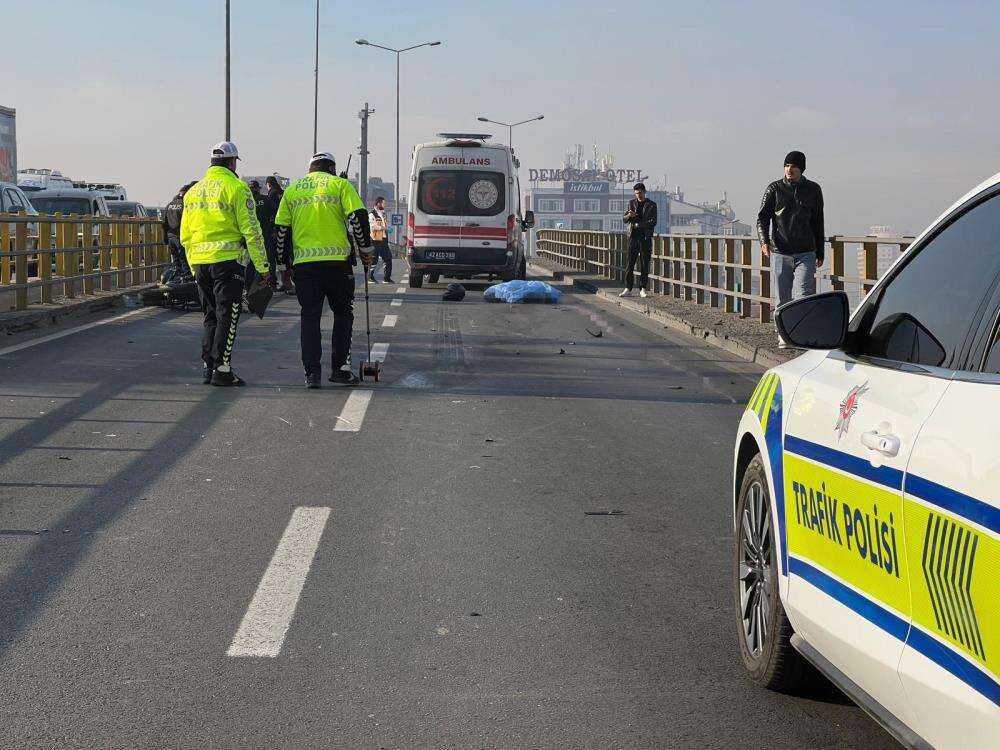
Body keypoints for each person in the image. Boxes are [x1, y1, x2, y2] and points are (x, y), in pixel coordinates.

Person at [274, 152, 374, 388]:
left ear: (311, 169)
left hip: (305, 266)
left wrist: (281, 262)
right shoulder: (340, 185)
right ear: (331, 169)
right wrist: (365, 249)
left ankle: (312, 374)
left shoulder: (293, 190)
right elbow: (358, 218)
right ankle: (340, 369)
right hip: (337, 264)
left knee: (310, 318)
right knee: (343, 314)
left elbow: (280, 231)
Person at [180, 141, 271, 386]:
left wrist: (192, 266)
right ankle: (222, 368)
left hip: (200, 263)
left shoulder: (193, 192)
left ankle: (208, 367)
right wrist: (263, 268)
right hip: (228, 262)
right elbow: (252, 231)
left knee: (209, 314)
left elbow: (185, 235)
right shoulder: (237, 188)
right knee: (227, 315)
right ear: (233, 163)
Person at [756, 150, 825, 348]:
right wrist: (764, 241)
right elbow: (762, 217)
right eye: (786, 166)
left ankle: (800, 333)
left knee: (803, 294)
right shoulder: (774, 189)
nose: (789, 169)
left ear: (801, 169)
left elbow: (818, 221)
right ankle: (783, 335)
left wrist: (820, 251)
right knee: (782, 297)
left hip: (806, 251)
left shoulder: (813, 190)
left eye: (793, 166)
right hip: (780, 250)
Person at [620, 182, 658, 298]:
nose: (638, 195)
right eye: (636, 193)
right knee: (630, 263)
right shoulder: (631, 203)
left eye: (640, 193)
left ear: (644, 192)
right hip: (633, 237)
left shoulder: (651, 205)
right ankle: (628, 288)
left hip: (645, 237)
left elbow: (653, 221)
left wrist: (639, 225)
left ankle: (642, 288)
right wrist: (629, 216)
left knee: (644, 264)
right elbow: (624, 219)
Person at [263, 176, 293, 294]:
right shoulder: (284, 193)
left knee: (279, 258)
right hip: (288, 229)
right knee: (288, 256)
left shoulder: (272, 195)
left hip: (277, 231)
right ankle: (289, 282)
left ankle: (287, 283)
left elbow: (272, 213)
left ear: (268, 184)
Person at [162, 182, 195, 281]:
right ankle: (186, 280)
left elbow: (164, 223)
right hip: (181, 237)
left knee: (176, 262)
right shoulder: (185, 205)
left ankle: (176, 279)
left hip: (170, 236)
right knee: (184, 260)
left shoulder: (169, 205)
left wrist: (165, 239)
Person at [368, 196, 394, 284]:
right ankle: (370, 277)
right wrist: (384, 228)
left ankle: (387, 278)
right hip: (375, 240)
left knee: (388, 258)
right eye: (383, 203)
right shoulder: (371, 214)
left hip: (383, 240)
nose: (385, 205)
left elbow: (385, 225)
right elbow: (373, 226)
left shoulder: (383, 214)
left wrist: (388, 227)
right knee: (374, 259)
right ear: (378, 203)